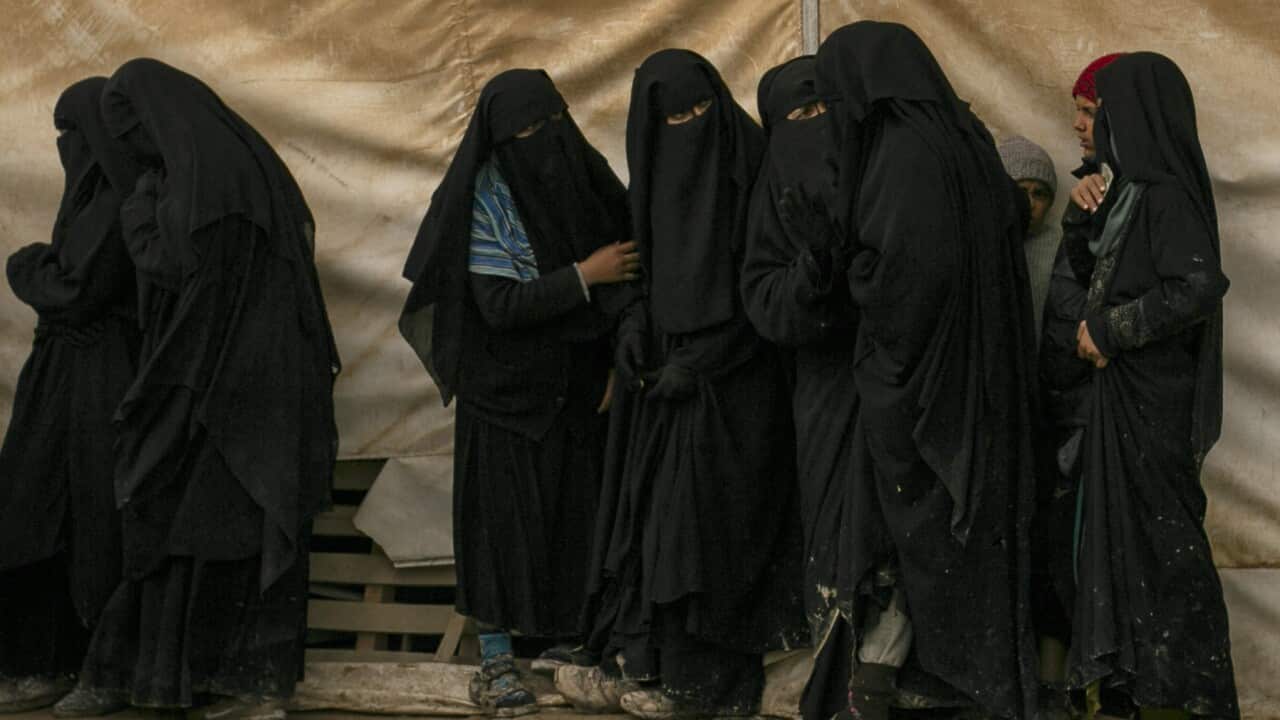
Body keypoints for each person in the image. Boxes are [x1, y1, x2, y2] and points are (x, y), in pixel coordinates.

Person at [55, 58, 341, 719]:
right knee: (196, 530)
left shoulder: (200, 186)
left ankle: (194, 682)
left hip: (221, 390)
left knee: (186, 526)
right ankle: (191, 681)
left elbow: (180, 270)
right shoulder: (232, 169)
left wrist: (139, 217)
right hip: (250, 389)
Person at [558, 48, 805, 720]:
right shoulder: (653, 185)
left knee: (706, 535)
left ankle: (702, 685)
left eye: (702, 109)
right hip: (667, 389)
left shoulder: (752, 172)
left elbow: (767, 291)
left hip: (741, 394)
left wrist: (703, 361)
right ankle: (646, 665)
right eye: (675, 118)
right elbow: (644, 272)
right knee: (653, 529)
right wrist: (635, 327)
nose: (693, 125)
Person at [812, 22, 1039, 720]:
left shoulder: (902, 155)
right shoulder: (961, 138)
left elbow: (906, 278)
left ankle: (924, 681)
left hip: (923, 391)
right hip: (980, 381)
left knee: (922, 538)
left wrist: (854, 272)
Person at [400, 68, 639, 717]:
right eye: (527, 131)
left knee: (571, 520)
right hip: (501, 393)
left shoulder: (586, 179)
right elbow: (499, 305)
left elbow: (631, 279)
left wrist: (616, 364)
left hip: (576, 391)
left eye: (552, 122)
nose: (544, 138)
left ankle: (567, 646)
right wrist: (583, 276)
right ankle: (496, 660)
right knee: (501, 529)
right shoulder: (486, 198)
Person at [1069, 52, 1237, 720]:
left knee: (1165, 554)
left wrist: (1111, 331)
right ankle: (1132, 694)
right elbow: (1098, 274)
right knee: (1124, 552)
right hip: (1124, 402)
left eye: (1098, 111)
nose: (1087, 125)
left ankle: (1187, 701)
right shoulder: (1127, 193)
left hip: (1154, 404)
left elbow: (1197, 287)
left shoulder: (1164, 196)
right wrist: (1081, 216)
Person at [0, 77, 140, 714]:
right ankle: (43, 662)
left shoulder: (114, 204)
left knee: (88, 517)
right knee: (37, 507)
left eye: (72, 133)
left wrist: (26, 263)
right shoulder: (91, 201)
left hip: (97, 377)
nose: (65, 146)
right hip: (66, 374)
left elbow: (75, 291)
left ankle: (81, 669)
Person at [738, 56, 857, 720]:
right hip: (821, 385)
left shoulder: (877, 173)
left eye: (824, 109)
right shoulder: (772, 201)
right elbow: (764, 296)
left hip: (894, 378)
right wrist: (813, 272)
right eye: (800, 115)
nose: (817, 125)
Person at [1036, 53, 1125, 716]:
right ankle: (1059, 684)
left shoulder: (1142, 201)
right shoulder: (1093, 193)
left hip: (1106, 419)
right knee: (1060, 554)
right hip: (1068, 413)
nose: (1077, 124)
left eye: (1089, 111)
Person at [998, 135, 1061, 339]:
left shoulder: (1059, 249)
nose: (1030, 203)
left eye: (1040, 194)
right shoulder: (979, 241)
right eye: (1021, 191)